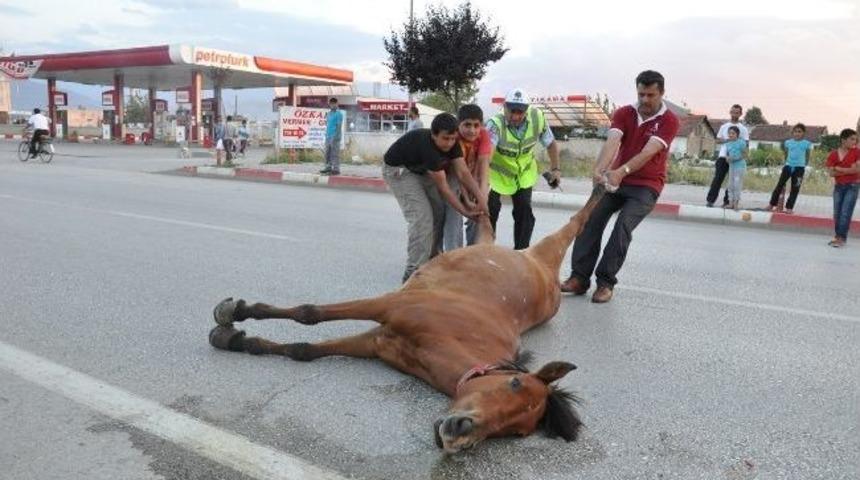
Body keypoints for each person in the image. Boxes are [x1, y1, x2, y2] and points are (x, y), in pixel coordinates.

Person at [560, 70, 680, 303]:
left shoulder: (669, 120)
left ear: (662, 93)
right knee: (590, 220)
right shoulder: (624, 112)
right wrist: (599, 170)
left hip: (646, 185)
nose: (644, 99)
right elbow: (612, 142)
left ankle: (605, 283)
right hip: (616, 180)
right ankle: (579, 278)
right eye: (641, 94)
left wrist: (621, 171)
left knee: (622, 226)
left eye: (650, 95)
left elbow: (648, 152)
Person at [383, 113, 487, 283]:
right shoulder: (429, 149)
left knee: (439, 212)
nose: (449, 143)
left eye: (453, 139)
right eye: (445, 139)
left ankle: (432, 260)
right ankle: (413, 273)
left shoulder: (453, 143)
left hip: (421, 170)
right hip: (400, 171)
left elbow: (463, 173)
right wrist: (467, 213)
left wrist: (483, 202)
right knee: (422, 219)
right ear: (433, 135)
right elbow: (445, 190)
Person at [486, 88, 561, 249]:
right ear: (504, 107)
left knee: (525, 212)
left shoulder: (537, 117)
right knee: (489, 211)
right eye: (512, 111)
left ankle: (521, 252)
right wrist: (481, 185)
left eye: (520, 112)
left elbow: (550, 143)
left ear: (527, 110)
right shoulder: (495, 124)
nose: (515, 116)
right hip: (496, 175)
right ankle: (487, 250)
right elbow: (485, 158)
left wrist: (555, 169)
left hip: (523, 174)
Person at [442, 104, 492, 250]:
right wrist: (466, 198)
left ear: (481, 125)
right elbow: (458, 173)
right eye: (467, 125)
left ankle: (473, 252)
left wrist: (482, 198)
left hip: (472, 177)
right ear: (459, 124)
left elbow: (484, 166)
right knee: (454, 216)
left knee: (478, 213)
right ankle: (454, 254)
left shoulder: (484, 135)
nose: (472, 130)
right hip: (453, 177)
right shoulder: (454, 138)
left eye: (476, 125)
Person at [706, 104, 749, 207]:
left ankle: (727, 202)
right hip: (723, 157)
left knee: (732, 181)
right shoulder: (724, 126)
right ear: (730, 112)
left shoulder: (743, 129)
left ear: (740, 114)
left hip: (735, 159)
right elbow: (717, 140)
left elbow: (746, 144)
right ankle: (710, 200)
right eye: (733, 112)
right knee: (717, 179)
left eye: (737, 113)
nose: (734, 114)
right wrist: (728, 140)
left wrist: (740, 153)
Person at [824, 128, 860, 247]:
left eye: (855, 139)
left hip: (853, 186)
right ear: (843, 140)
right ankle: (837, 236)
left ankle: (841, 238)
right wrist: (849, 170)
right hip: (838, 187)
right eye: (852, 139)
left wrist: (839, 168)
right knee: (837, 213)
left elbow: (857, 170)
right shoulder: (833, 154)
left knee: (845, 212)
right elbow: (831, 173)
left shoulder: (857, 152)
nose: (854, 142)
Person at [768, 123, 813, 213]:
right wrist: (787, 163)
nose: (797, 133)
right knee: (779, 185)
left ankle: (789, 208)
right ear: (792, 133)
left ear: (803, 133)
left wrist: (803, 164)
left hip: (799, 168)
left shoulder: (806, 144)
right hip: (788, 167)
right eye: (795, 131)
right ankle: (771, 204)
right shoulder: (788, 142)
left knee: (795, 188)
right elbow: (786, 153)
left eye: (799, 132)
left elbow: (807, 155)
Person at [724, 126, 749, 210]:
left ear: (737, 134)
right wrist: (727, 158)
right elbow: (727, 154)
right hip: (732, 167)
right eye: (729, 133)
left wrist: (735, 158)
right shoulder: (728, 144)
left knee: (737, 185)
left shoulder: (741, 142)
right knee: (730, 185)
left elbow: (745, 154)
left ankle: (736, 203)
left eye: (733, 133)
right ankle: (730, 202)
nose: (731, 135)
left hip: (740, 167)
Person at [320, 98, 343, 175]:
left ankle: (336, 169)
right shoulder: (329, 114)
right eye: (331, 104)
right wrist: (326, 135)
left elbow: (339, 126)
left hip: (335, 136)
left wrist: (335, 136)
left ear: (337, 104)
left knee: (334, 153)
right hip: (328, 136)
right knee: (327, 153)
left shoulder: (339, 114)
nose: (332, 105)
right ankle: (328, 167)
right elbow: (328, 125)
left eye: (334, 104)